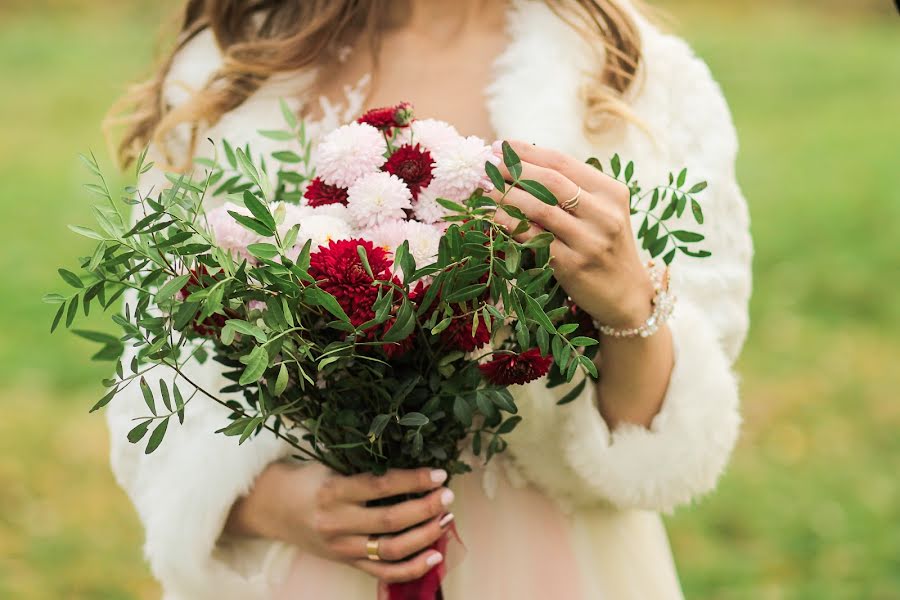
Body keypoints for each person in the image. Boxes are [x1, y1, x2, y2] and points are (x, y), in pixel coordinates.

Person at [105, 0, 752, 598]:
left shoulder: (633, 74)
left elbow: (663, 442)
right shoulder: (233, 72)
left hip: (554, 564)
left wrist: (629, 304)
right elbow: (156, 367)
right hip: (303, 570)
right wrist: (274, 504)